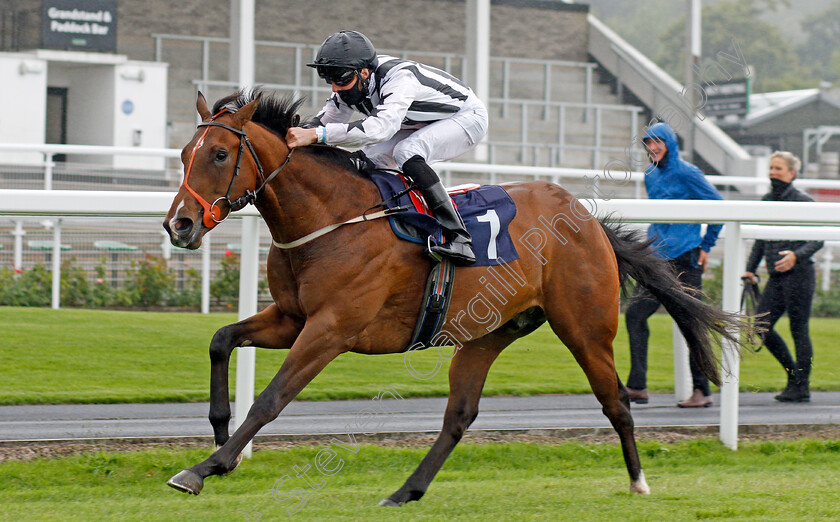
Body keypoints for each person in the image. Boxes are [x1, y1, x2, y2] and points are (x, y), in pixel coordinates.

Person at [285, 30, 489, 265]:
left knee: (407, 152)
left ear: (363, 72)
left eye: (340, 80)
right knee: (366, 159)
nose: (335, 88)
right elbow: (326, 121)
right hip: (418, 121)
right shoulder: (353, 79)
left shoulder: (400, 78)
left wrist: (315, 134)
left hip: (466, 117)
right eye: (330, 80)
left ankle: (459, 237)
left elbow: (378, 129)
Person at [625, 122, 723, 408]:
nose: (652, 147)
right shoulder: (649, 175)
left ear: (670, 144)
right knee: (635, 315)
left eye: (658, 142)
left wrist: (706, 246)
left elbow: (720, 207)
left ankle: (702, 391)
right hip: (655, 257)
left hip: (685, 258)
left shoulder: (688, 173)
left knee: (690, 324)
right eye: (647, 142)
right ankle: (637, 386)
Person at [743, 151, 822, 403]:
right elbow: (760, 239)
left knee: (799, 329)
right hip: (776, 278)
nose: (773, 172)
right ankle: (794, 377)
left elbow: (818, 238)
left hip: (800, 275)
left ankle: (802, 386)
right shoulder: (767, 200)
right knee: (760, 326)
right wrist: (750, 269)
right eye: (771, 168)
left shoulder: (804, 201)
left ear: (792, 173)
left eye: (778, 168)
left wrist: (795, 256)